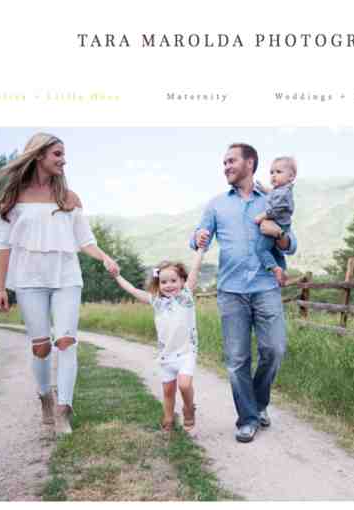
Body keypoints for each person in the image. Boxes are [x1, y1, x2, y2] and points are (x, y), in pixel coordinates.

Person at [0, 132, 120, 435]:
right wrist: (0, 288)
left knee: (66, 341)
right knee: (42, 347)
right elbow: (3, 246)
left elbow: (85, 241)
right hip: (28, 280)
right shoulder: (13, 200)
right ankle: (45, 396)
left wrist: (105, 258)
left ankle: (64, 408)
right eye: (57, 154)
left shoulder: (69, 199)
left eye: (63, 154)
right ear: (38, 155)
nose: (64, 160)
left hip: (66, 277)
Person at [191, 143, 297, 443]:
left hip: (266, 288)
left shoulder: (273, 199)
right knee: (237, 360)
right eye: (224, 162)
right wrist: (198, 236)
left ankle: (259, 403)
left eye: (231, 161)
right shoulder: (216, 204)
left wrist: (279, 234)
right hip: (231, 291)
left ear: (249, 163)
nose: (226, 166)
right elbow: (197, 238)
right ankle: (248, 418)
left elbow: (291, 244)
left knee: (274, 350)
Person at [112, 249, 204, 434]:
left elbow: (195, 268)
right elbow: (133, 290)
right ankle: (168, 420)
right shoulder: (156, 301)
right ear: (158, 284)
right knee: (168, 391)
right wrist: (117, 276)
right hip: (166, 356)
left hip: (186, 352)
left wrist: (201, 249)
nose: (169, 285)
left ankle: (188, 408)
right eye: (163, 282)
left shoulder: (186, 296)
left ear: (182, 281)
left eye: (173, 281)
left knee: (184, 385)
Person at [254, 156, 297, 286]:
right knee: (275, 251)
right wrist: (264, 189)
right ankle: (283, 271)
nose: (273, 175)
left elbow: (276, 209)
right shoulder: (281, 190)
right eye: (271, 172)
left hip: (276, 225)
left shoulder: (283, 193)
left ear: (291, 177)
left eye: (278, 172)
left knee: (261, 249)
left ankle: (275, 268)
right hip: (282, 225)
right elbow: (273, 194)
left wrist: (262, 216)